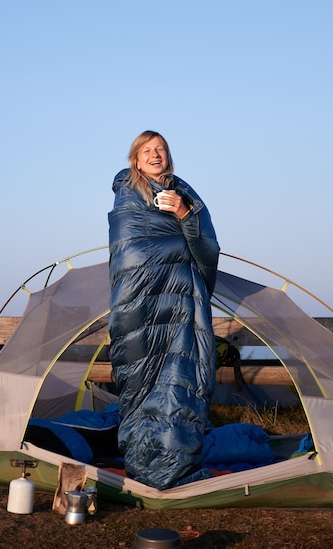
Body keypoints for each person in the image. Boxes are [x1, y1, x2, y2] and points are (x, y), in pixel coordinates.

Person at [108, 131, 220, 490]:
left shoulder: (183, 194)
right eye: (147, 150)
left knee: (179, 377)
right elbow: (128, 250)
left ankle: (175, 463)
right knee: (141, 380)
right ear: (135, 160)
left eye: (160, 149)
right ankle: (144, 460)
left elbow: (207, 245)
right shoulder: (128, 195)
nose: (155, 154)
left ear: (167, 157)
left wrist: (184, 213)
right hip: (140, 301)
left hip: (179, 302)